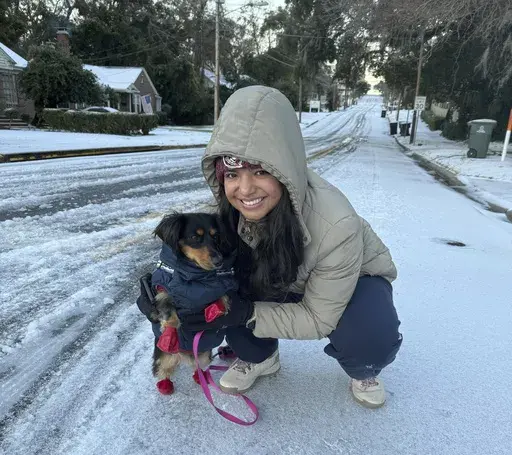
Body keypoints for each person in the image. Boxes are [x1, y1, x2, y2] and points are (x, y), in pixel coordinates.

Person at [138, 85, 402, 409]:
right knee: (230, 293)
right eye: (233, 173)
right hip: (282, 278)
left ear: (284, 169)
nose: (245, 189)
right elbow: (194, 267)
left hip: (350, 280)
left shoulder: (337, 224)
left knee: (368, 333)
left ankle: (365, 368)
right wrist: (163, 293)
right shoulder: (231, 213)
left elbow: (318, 317)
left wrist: (246, 312)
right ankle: (259, 356)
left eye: (260, 171)